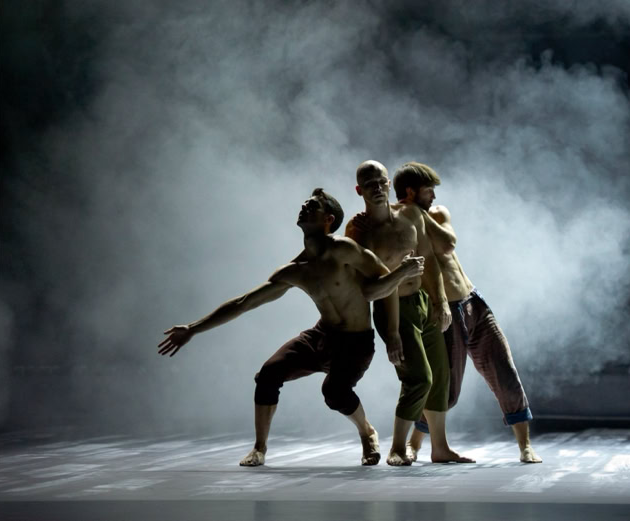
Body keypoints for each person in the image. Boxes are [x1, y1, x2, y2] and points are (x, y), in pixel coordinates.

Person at [158, 188, 424, 467]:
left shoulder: (344, 249)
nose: (305, 206)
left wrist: (394, 324)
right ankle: (259, 448)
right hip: (322, 335)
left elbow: (385, 285)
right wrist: (192, 328)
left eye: (313, 206)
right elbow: (243, 303)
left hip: (355, 342)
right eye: (305, 204)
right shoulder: (296, 269)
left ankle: (367, 432)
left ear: (328, 220)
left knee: (334, 393)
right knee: (268, 375)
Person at [394, 162, 542, 464]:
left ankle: (525, 446)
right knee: (444, 390)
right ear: (410, 191)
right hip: (444, 311)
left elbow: (447, 244)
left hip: (473, 303)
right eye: (428, 190)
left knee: (505, 372)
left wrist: (419, 214)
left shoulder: (436, 214)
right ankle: (414, 444)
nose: (434, 196)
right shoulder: (400, 226)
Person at [346, 160, 474, 466]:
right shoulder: (359, 230)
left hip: (423, 301)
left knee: (440, 376)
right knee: (419, 379)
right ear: (359, 190)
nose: (377, 189)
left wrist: (440, 301)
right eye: (370, 185)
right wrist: (392, 332)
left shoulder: (411, 215)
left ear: (389, 184)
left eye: (382, 182)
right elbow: (368, 290)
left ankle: (440, 448)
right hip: (393, 310)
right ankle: (397, 448)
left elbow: (429, 259)